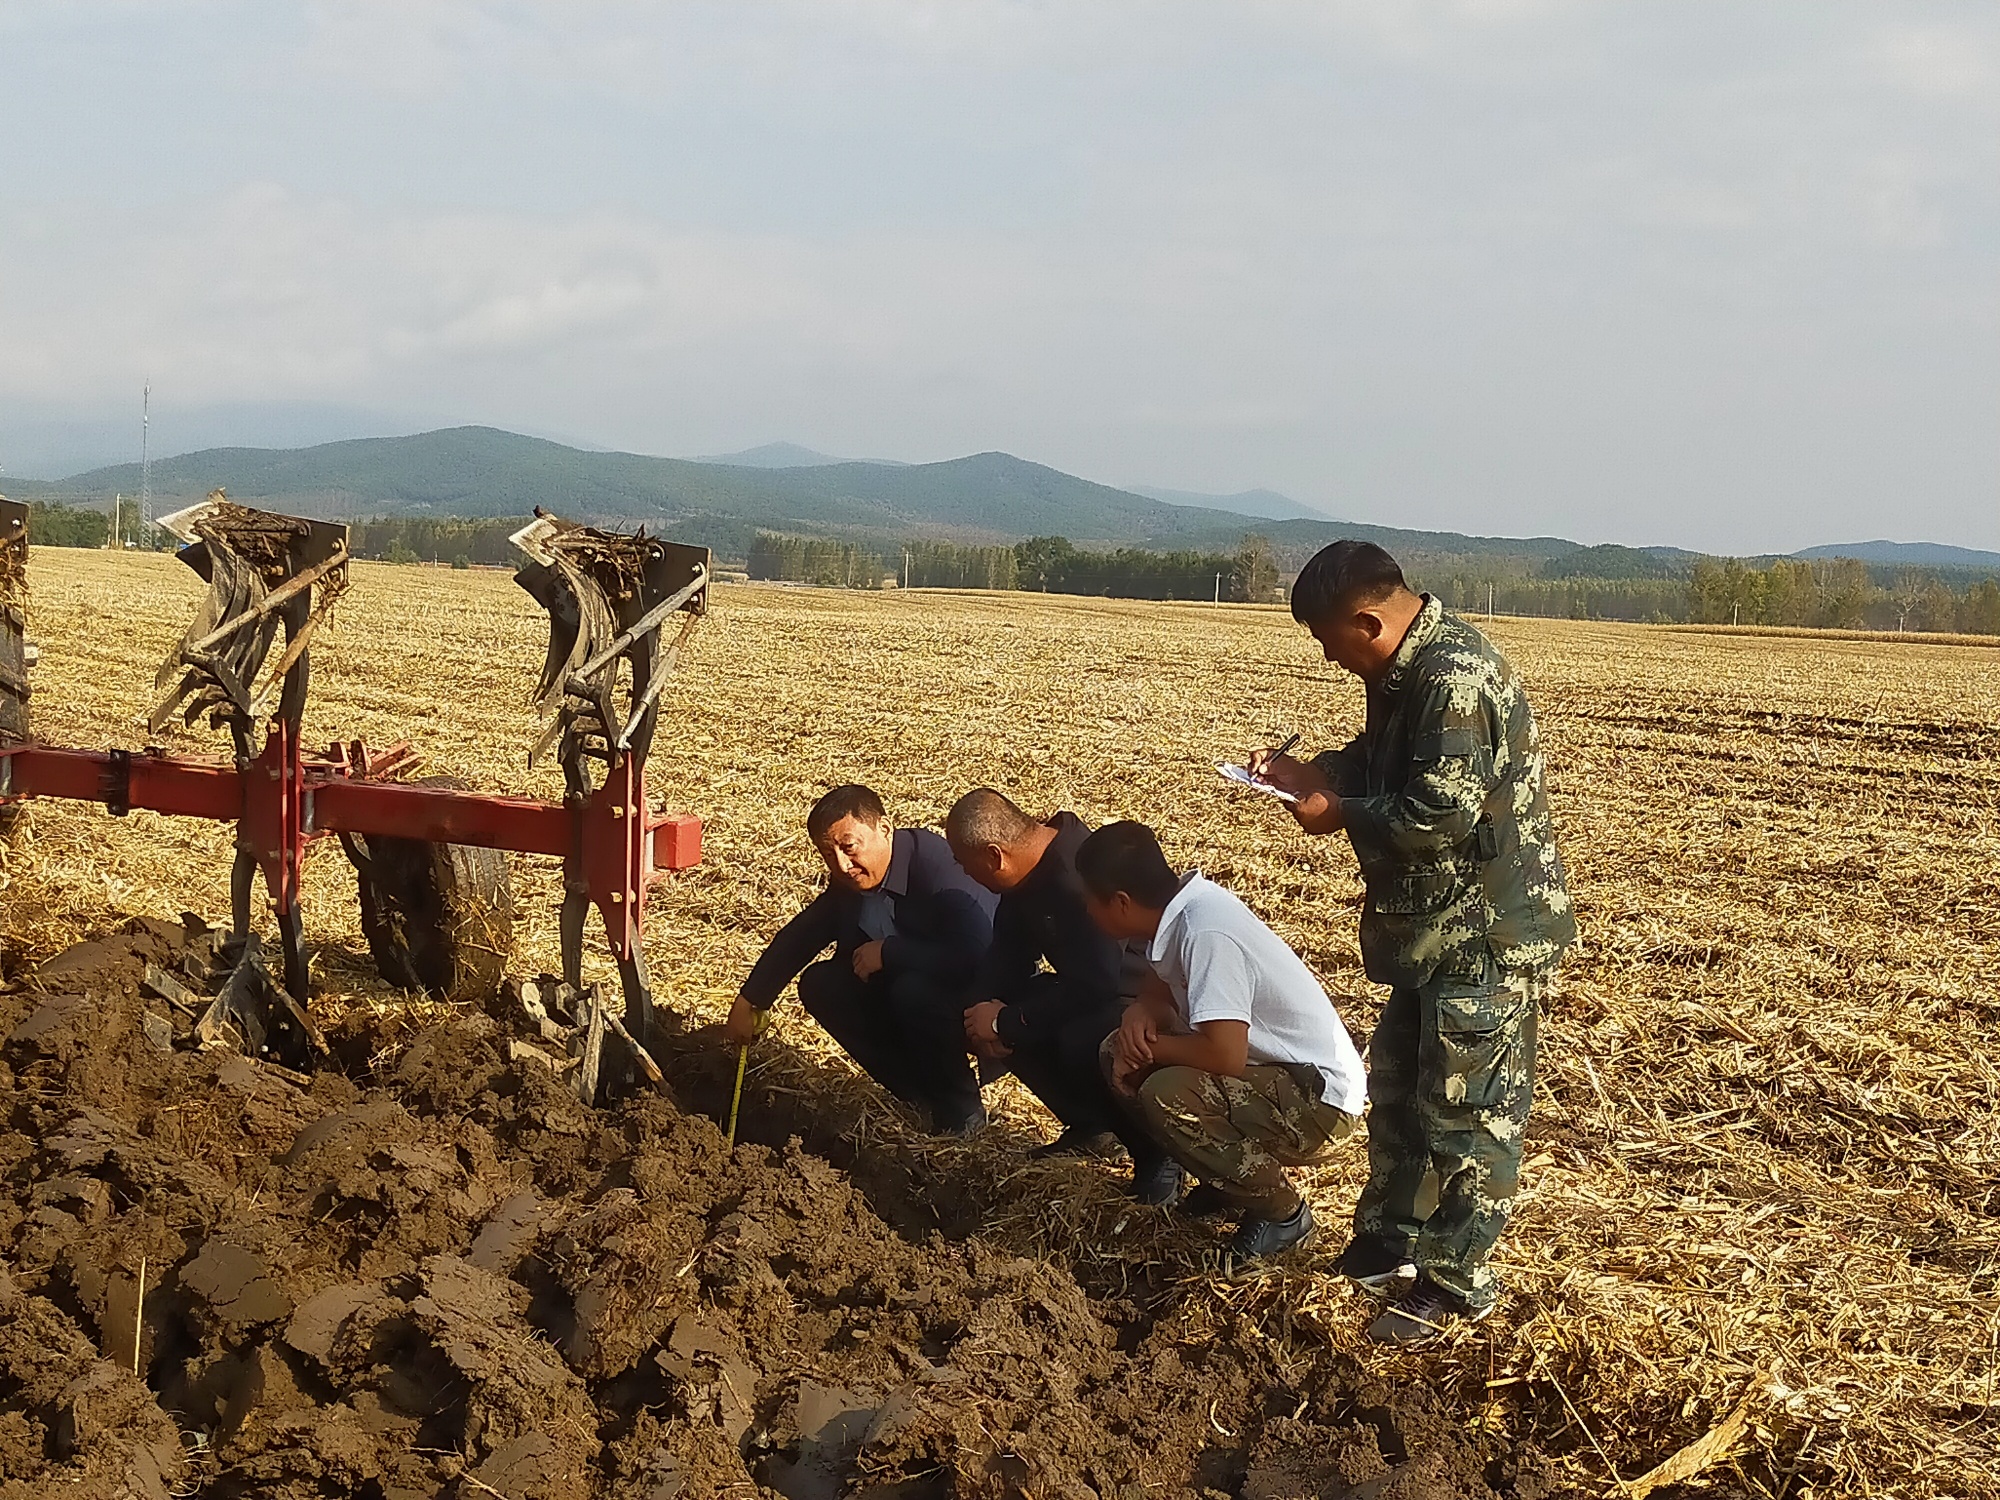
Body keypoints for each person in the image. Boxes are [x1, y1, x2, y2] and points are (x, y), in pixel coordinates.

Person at [1247, 540, 1575, 1344]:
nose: (1328, 656)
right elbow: (1378, 763)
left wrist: (1337, 814)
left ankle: (1454, 1281)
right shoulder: (1399, 673)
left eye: (1329, 640)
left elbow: (1436, 815)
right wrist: (1313, 774)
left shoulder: (1452, 678)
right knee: (1398, 1094)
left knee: (1468, 1114)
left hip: (1486, 935)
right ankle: (1387, 1241)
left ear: (1367, 620)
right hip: (1435, 932)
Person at [1076, 821, 1367, 1274]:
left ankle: (1283, 1215)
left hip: (1319, 1102)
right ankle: (1231, 1180)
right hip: (1273, 1077)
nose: (1086, 912)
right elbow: (1158, 990)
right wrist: (1138, 1018)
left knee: (1168, 1092)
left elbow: (1223, 1055)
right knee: (1117, 1050)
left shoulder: (1207, 933)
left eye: (1089, 900)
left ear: (1121, 903)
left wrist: (1150, 1051)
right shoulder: (1180, 911)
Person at [945, 789, 1183, 1203]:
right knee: (1002, 1013)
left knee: (1082, 1039)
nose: (965, 875)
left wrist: (1007, 1021)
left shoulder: (1072, 880)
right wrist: (978, 1012)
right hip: (1092, 988)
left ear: (994, 856)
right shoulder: (1025, 876)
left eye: (965, 864)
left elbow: (1100, 982)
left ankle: (1157, 1153)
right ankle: (1091, 1125)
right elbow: (1007, 953)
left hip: (1146, 1000)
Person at [726, 784, 997, 1136]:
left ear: (885, 828)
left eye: (849, 847)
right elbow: (806, 932)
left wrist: (889, 952)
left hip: (976, 991)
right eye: (828, 852)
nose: (841, 863)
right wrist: (753, 998)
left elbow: (975, 952)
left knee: (912, 990)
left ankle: (962, 1111)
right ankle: (916, 1095)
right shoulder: (852, 880)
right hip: (908, 982)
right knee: (821, 985)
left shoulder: (936, 868)